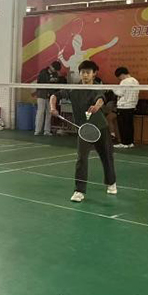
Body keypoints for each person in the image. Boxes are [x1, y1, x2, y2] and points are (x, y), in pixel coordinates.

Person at [50, 60, 117, 203]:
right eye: (83, 72)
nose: (85, 75)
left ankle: (111, 183)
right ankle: (79, 191)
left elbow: (100, 99)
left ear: (94, 74)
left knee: (106, 157)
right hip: (84, 129)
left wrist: (97, 106)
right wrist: (52, 108)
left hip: (100, 127)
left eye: (88, 72)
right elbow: (54, 96)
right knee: (81, 159)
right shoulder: (74, 88)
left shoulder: (97, 87)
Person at [114, 66, 140, 149]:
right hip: (132, 106)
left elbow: (120, 93)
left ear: (121, 74)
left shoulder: (124, 82)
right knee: (129, 125)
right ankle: (130, 142)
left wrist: (113, 89)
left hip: (123, 106)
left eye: (119, 77)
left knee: (123, 126)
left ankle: (124, 143)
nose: (119, 79)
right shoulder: (135, 81)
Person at [35, 61, 62, 136]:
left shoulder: (56, 74)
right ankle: (37, 130)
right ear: (51, 66)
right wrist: (50, 81)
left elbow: (57, 83)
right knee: (40, 112)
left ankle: (47, 131)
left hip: (51, 96)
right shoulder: (43, 72)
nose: (55, 70)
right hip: (41, 95)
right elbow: (41, 82)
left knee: (49, 113)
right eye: (54, 68)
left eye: (56, 70)